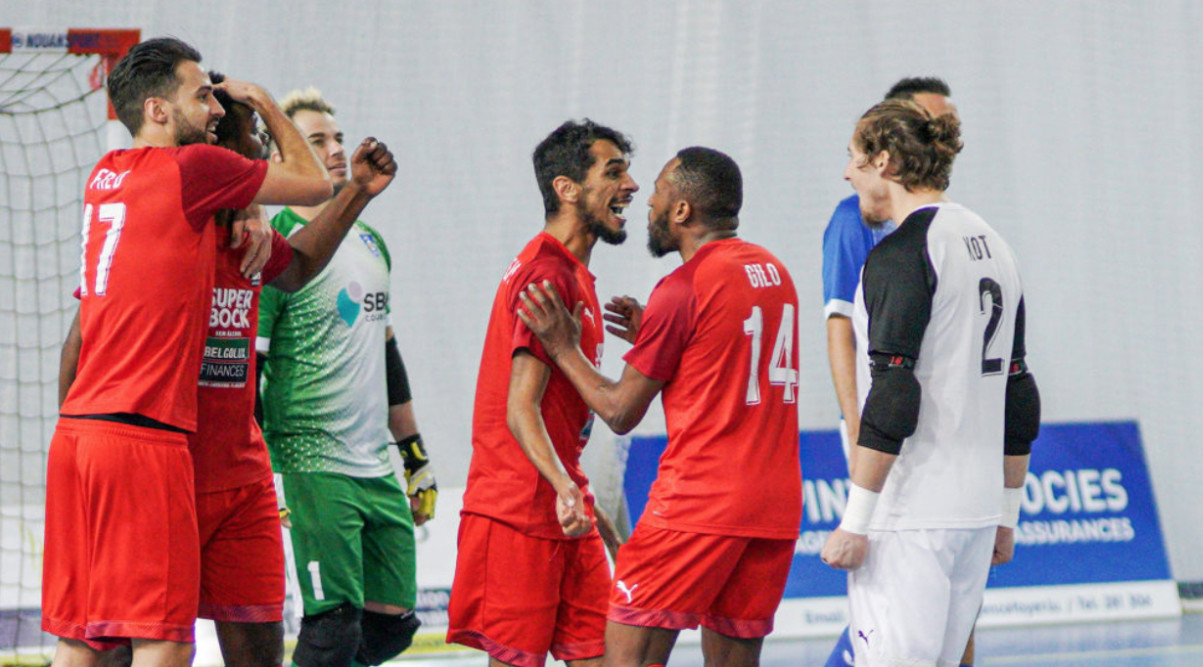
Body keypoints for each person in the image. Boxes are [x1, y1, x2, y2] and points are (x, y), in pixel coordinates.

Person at [55, 73, 398, 667]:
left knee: (260, 647)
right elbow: (82, 340)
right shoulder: (160, 217)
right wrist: (84, 442)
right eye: (248, 132)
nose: (262, 144)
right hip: (162, 465)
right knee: (120, 645)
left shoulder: (249, 235)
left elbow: (301, 266)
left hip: (239, 476)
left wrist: (357, 193)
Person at [517, 146, 802, 667]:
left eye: (657, 195)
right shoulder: (774, 273)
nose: (646, 203)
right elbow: (728, 352)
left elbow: (620, 411)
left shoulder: (684, 287)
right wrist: (657, 330)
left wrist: (562, 346)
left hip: (698, 504)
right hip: (773, 509)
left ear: (682, 211)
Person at [819, 99, 1041, 667]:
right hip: (973, 512)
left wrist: (856, 521)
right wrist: (1006, 515)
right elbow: (1019, 393)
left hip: (910, 516)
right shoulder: (996, 244)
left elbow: (894, 393)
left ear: (884, 161)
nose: (846, 173)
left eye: (852, 158)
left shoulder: (899, 254)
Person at [446, 119, 635, 667]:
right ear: (567, 187)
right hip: (518, 514)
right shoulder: (546, 274)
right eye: (614, 171)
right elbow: (519, 408)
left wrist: (580, 501)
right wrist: (564, 488)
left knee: (605, 656)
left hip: (564, 507)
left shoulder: (572, 275)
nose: (631, 185)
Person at [256, 87, 429, 667]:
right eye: (316, 141)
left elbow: (385, 351)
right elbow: (249, 369)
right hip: (309, 462)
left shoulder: (370, 241)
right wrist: (261, 470)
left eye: (337, 137)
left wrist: (414, 453)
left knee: (392, 624)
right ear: (285, 158)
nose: (334, 150)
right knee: (331, 629)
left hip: (374, 462)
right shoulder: (272, 242)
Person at [820, 77, 979, 667]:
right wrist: (858, 424)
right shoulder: (858, 219)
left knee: (923, 621)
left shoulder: (952, 230)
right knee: (899, 611)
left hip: (937, 451)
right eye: (936, 124)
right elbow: (842, 326)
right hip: (888, 435)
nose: (948, 139)